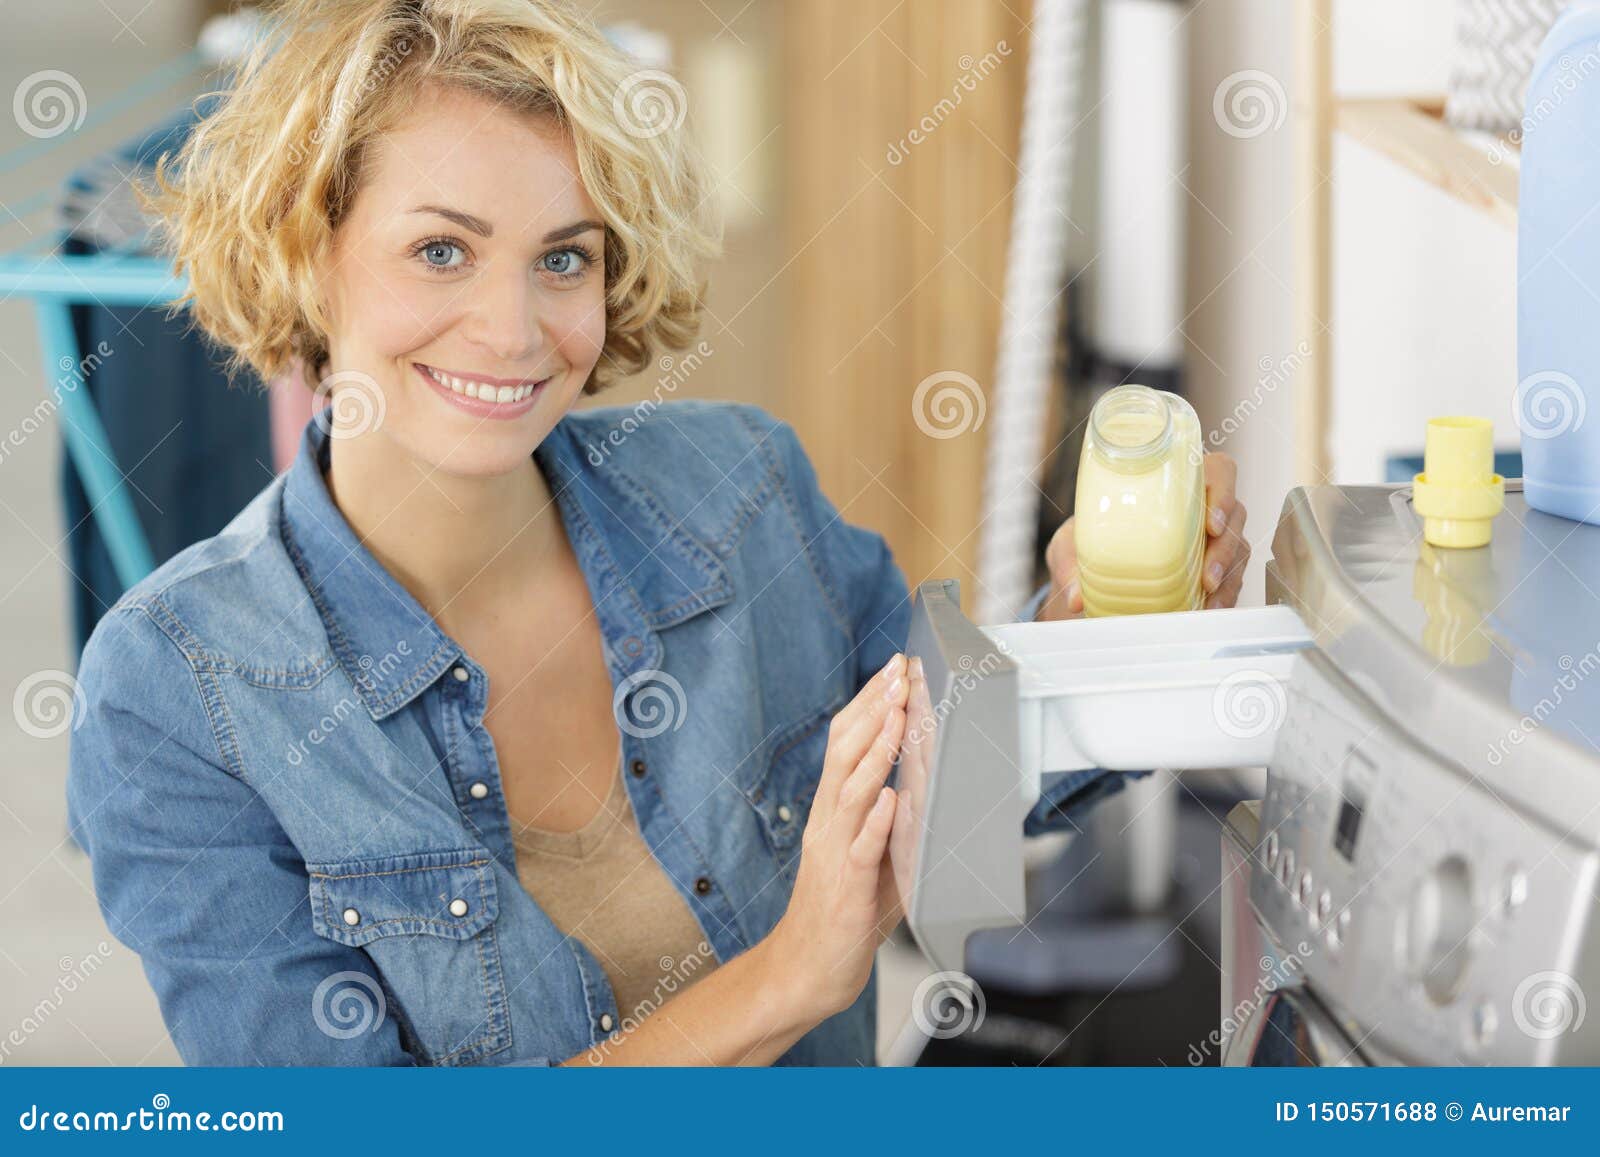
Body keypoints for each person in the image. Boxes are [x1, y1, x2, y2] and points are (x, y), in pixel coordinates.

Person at [66, 0, 1250, 1067]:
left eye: (563, 257)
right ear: (306, 255)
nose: (514, 328)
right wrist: (790, 977)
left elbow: (952, 777)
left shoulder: (738, 491)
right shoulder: (178, 687)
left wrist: (1091, 632)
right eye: (442, 249)